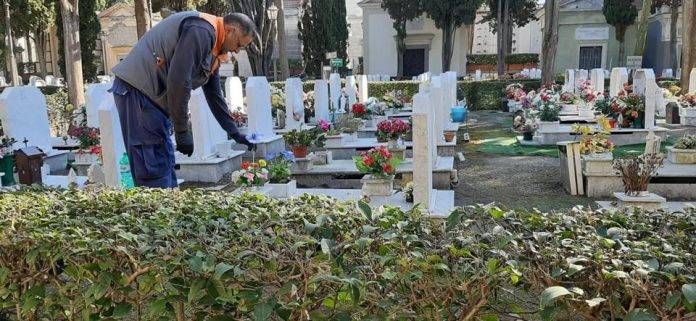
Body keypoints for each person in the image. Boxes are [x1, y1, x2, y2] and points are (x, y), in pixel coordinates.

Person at [110, 11, 256, 188]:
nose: (237, 50)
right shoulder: (201, 31)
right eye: (239, 44)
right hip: (138, 92)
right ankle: (154, 212)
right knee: (151, 164)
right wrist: (181, 132)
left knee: (164, 160)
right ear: (230, 30)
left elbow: (214, 94)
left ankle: (169, 210)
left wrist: (234, 132)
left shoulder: (214, 47)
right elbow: (179, 80)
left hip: (152, 99)